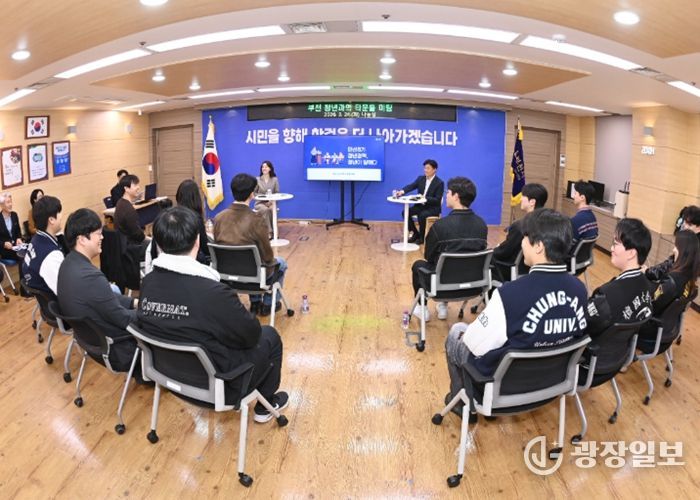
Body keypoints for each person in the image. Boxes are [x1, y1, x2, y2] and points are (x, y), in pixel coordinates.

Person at [138, 207, 288, 422]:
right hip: (219, 385)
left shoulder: (148, 283)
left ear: (158, 244)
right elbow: (251, 335)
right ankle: (265, 406)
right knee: (269, 335)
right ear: (197, 241)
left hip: (168, 375)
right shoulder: (213, 292)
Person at [444, 209, 588, 413]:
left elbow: (473, 343)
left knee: (457, 332)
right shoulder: (580, 289)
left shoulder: (509, 294)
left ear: (538, 246)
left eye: (525, 237)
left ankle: (462, 402)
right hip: (553, 382)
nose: (521, 243)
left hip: (504, 387)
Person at [57, 208, 139, 371]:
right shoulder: (91, 276)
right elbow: (123, 319)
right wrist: (151, 311)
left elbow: (106, 297)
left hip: (92, 344)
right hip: (118, 349)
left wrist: (133, 303)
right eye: (98, 234)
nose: (102, 237)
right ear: (82, 239)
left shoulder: (67, 264)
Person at [410, 177, 487, 321]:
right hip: (473, 287)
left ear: (456, 196)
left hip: (441, 288)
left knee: (419, 265)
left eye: (448, 192)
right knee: (453, 263)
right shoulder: (482, 225)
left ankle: (422, 308)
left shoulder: (440, 226)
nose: (446, 195)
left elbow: (429, 256)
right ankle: (443, 306)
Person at [214, 173, 288, 316]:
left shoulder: (218, 218)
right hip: (254, 276)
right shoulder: (257, 220)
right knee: (281, 263)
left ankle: (255, 303)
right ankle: (268, 304)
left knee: (249, 260)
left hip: (226, 276)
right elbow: (268, 257)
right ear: (252, 194)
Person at [584, 218, 654, 339]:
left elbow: (583, 324)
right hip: (622, 348)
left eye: (616, 243)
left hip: (598, 348)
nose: (611, 248)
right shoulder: (647, 285)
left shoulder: (608, 295)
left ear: (631, 253)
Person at [637, 230, 699, 351]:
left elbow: (651, 305)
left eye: (676, 247)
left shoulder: (672, 281)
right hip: (668, 331)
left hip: (650, 333)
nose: (673, 250)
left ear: (684, 252)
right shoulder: (691, 278)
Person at [491, 183, 548, 283]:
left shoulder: (520, 226)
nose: (520, 199)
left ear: (532, 202)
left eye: (523, 196)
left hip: (515, 269)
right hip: (538, 268)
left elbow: (504, 252)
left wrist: (493, 251)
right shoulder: (549, 223)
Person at [21, 196, 64, 296]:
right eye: (59, 212)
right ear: (51, 220)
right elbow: (65, 292)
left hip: (43, 294)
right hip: (55, 300)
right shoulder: (51, 255)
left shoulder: (36, 238)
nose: (61, 216)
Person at [395, 159, 444, 244]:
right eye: (424, 168)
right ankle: (415, 233)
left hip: (432, 208)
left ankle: (422, 238)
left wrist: (424, 198)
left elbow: (437, 200)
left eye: (428, 168)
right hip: (420, 206)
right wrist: (402, 191)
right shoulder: (420, 178)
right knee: (406, 212)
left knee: (422, 215)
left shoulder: (439, 183)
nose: (425, 170)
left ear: (434, 169)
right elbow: (411, 186)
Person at [175, 179, 210, 264]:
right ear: (196, 197)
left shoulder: (171, 216)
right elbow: (204, 246)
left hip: (174, 261)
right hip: (193, 262)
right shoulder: (196, 219)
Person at [114, 174, 146, 245]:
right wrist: (145, 236)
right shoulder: (127, 209)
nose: (138, 187)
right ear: (126, 188)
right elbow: (137, 235)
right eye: (135, 185)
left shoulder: (121, 202)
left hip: (124, 243)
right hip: (130, 246)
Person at [253, 160, 280, 235]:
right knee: (265, 210)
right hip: (260, 203)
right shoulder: (257, 179)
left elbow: (277, 192)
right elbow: (254, 193)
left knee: (272, 209)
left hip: (271, 202)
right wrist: (260, 198)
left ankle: (275, 231)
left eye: (266, 167)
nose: (264, 168)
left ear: (270, 169)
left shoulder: (275, 179)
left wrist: (271, 202)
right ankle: (269, 232)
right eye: (263, 167)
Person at [569, 180, 599, 246]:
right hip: (584, 252)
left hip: (573, 252)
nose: (573, 196)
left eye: (575, 194)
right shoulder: (593, 217)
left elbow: (569, 245)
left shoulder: (576, 220)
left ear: (582, 197)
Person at [0, 192, 23, 261]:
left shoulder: (14, 215)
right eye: (8, 202)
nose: (10, 204)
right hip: (5, 252)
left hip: (17, 248)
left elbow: (18, 231)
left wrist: (19, 238)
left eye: (11, 202)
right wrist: (3, 244)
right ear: (2, 205)